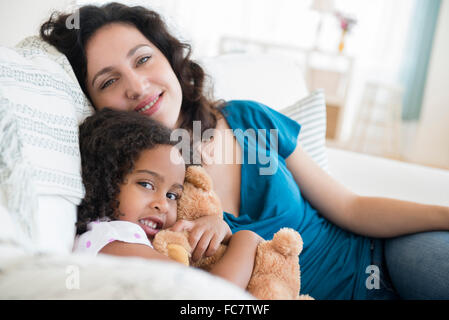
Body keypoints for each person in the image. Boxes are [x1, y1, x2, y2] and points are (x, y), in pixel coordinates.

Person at [41, 2, 449, 300]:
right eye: (109, 81)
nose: (136, 85)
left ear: (169, 57)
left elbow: (352, 206)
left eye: (144, 59)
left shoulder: (247, 117)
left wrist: (444, 214)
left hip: (388, 256)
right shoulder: (130, 196)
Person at [73, 108, 263, 290]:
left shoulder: (132, 241)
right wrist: (246, 240)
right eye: (146, 184)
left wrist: (215, 225)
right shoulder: (112, 238)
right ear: (105, 179)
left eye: (172, 195)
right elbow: (210, 296)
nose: (163, 205)